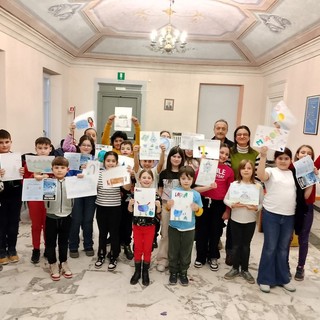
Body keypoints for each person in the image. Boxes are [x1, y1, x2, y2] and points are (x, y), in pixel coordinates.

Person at [256, 146, 311, 293]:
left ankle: (283, 278)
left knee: (282, 249)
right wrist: (262, 156)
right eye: (280, 158)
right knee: (270, 247)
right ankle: (265, 279)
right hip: (271, 214)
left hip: (289, 216)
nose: (283, 161)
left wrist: (312, 179)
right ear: (275, 159)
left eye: (286, 158)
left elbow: (305, 196)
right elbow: (261, 175)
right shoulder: (271, 171)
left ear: (291, 160)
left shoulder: (295, 174)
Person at [194, 143, 234, 271]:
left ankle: (213, 256)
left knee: (215, 231)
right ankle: (200, 256)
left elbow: (230, 191)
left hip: (219, 204)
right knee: (201, 230)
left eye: (226, 154)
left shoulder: (229, 171)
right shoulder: (205, 166)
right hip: (203, 202)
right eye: (221, 152)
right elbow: (194, 186)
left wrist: (228, 210)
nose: (223, 156)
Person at [223, 159, 263, 284]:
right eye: (243, 168)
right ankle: (235, 268)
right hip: (235, 219)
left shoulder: (258, 186)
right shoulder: (234, 184)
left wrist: (256, 208)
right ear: (240, 170)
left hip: (250, 221)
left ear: (253, 171)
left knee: (246, 246)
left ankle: (245, 269)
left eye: (249, 168)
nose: (246, 170)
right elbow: (226, 199)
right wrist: (232, 204)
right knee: (235, 245)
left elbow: (262, 203)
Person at [225, 125, 260, 266]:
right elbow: (227, 171)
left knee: (245, 228)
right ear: (235, 137)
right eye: (239, 134)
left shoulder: (255, 154)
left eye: (245, 134)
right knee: (232, 226)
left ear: (249, 137)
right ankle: (230, 253)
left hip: (250, 190)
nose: (242, 136)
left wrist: (252, 191)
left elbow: (256, 175)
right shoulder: (230, 152)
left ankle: (242, 259)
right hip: (233, 190)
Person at [94, 151, 131, 271]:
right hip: (101, 207)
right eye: (108, 161)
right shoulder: (99, 174)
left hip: (115, 208)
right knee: (102, 233)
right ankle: (101, 255)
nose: (110, 163)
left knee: (115, 233)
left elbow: (127, 188)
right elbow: (92, 187)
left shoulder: (119, 173)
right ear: (104, 162)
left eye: (113, 161)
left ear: (117, 163)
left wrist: (127, 175)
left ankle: (114, 256)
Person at [166, 166, 203, 286]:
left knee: (186, 250)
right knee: (173, 249)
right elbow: (168, 208)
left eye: (189, 178)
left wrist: (197, 208)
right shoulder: (174, 192)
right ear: (179, 179)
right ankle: (173, 271)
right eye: (183, 178)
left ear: (193, 180)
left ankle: (183, 272)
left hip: (189, 227)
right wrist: (168, 205)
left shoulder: (196, 194)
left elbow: (200, 212)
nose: (186, 181)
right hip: (174, 226)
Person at [63, 135, 96, 258]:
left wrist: (89, 172)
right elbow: (68, 176)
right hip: (76, 193)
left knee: (88, 220)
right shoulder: (72, 159)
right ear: (79, 146)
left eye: (89, 145)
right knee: (75, 220)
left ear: (92, 147)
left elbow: (98, 176)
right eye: (84, 145)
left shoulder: (95, 160)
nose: (86, 147)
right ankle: (73, 246)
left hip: (90, 193)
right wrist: (77, 175)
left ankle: (88, 245)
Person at [128, 169, 162, 286]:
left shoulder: (156, 194)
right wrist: (130, 205)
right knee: (137, 247)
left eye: (149, 178)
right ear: (139, 179)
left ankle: (145, 271)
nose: (146, 180)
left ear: (152, 180)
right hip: (137, 226)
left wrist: (158, 206)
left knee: (147, 248)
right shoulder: (134, 193)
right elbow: (130, 211)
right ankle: (137, 270)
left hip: (150, 226)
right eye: (144, 177)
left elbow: (158, 212)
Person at [23, 137, 53, 263]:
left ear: (50, 149)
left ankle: (48, 248)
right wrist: (33, 176)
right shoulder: (29, 163)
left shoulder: (54, 162)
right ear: (35, 149)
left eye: (45, 148)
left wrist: (49, 176)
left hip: (49, 197)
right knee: (36, 225)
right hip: (34, 198)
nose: (42, 151)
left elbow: (59, 175)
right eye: (40, 148)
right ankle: (36, 249)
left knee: (48, 225)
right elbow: (23, 180)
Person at [156, 146, 185, 272]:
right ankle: (163, 259)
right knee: (165, 233)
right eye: (174, 156)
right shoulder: (164, 173)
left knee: (179, 234)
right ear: (170, 157)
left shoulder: (184, 173)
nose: (176, 159)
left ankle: (176, 259)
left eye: (179, 157)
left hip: (182, 207)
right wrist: (161, 206)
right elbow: (160, 190)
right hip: (166, 206)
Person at [45, 156, 73, 281]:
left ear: (68, 169)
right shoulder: (47, 182)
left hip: (66, 216)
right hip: (51, 217)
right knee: (50, 242)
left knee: (63, 241)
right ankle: (52, 263)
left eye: (62, 168)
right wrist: (38, 178)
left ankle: (64, 262)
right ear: (52, 169)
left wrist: (82, 179)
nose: (59, 170)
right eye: (56, 168)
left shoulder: (72, 182)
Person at [133, 144, 166, 249]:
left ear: (153, 162)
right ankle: (136, 241)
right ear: (141, 161)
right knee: (138, 222)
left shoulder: (155, 171)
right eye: (145, 161)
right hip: (139, 201)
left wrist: (162, 153)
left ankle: (153, 239)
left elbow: (160, 164)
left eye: (150, 161)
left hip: (153, 201)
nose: (147, 163)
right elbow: (136, 163)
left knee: (154, 222)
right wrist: (135, 153)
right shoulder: (138, 171)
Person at [293, 145, 318, 281]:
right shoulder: (290, 169)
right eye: (302, 152)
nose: (305, 155)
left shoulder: (312, 171)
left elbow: (307, 197)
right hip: (290, 207)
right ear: (297, 154)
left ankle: (300, 267)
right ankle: (283, 264)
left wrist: (312, 178)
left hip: (306, 208)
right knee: (287, 238)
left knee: (304, 238)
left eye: (309, 153)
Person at [0, 129, 24, 265]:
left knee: (14, 222)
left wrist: (22, 171)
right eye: (1, 143)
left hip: (15, 194)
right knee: (2, 223)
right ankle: (2, 250)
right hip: (1, 196)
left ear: (11, 142)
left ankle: (12, 249)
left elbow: (24, 176)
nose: (4, 145)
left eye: (7, 142)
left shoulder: (16, 157)